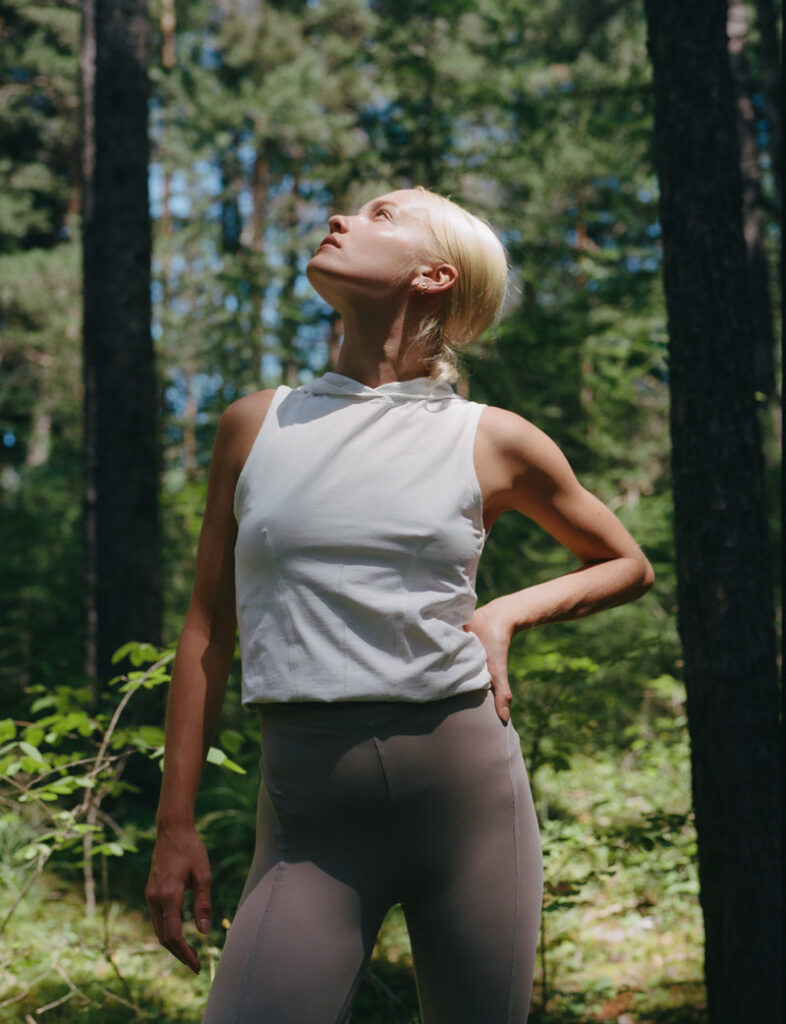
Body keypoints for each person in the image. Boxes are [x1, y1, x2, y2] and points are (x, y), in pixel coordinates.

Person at [145, 187, 654, 1024]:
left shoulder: (493, 439)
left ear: (434, 274)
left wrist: (505, 614)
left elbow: (624, 564)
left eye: (383, 214)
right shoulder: (254, 427)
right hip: (307, 821)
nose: (342, 219)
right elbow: (206, 629)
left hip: (467, 802)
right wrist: (175, 823)